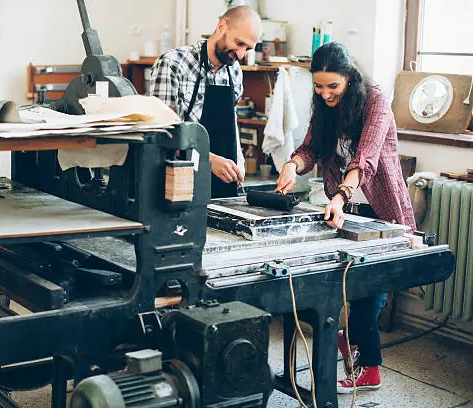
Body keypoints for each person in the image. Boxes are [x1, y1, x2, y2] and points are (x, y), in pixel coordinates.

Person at [275, 42, 416, 393]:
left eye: (332, 86)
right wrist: (293, 165)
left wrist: (340, 194)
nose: (324, 94)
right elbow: (310, 149)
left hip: (380, 209)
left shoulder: (376, 102)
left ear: (350, 79)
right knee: (352, 289)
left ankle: (365, 363)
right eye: (318, 86)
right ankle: (353, 346)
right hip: (344, 209)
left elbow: (365, 160)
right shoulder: (325, 107)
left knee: (370, 293)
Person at [148, 6, 261, 198]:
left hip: (221, 184)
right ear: (221, 26)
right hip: (178, 181)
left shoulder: (234, 72)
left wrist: (239, 162)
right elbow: (163, 134)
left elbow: (231, 124)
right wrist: (208, 160)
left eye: (248, 49)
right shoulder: (173, 63)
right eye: (239, 43)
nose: (241, 54)